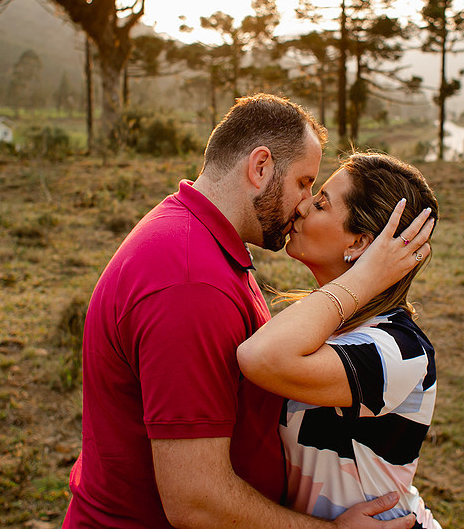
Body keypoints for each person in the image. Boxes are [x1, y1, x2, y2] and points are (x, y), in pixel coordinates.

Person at [63, 94, 419, 528]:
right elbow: (196, 499)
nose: (305, 204)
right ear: (261, 167)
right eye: (305, 183)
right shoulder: (190, 279)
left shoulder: (202, 244)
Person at [238, 153, 442, 529]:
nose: (301, 208)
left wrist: (364, 278)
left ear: (361, 241)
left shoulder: (399, 350)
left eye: (320, 203)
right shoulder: (325, 325)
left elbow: (259, 358)